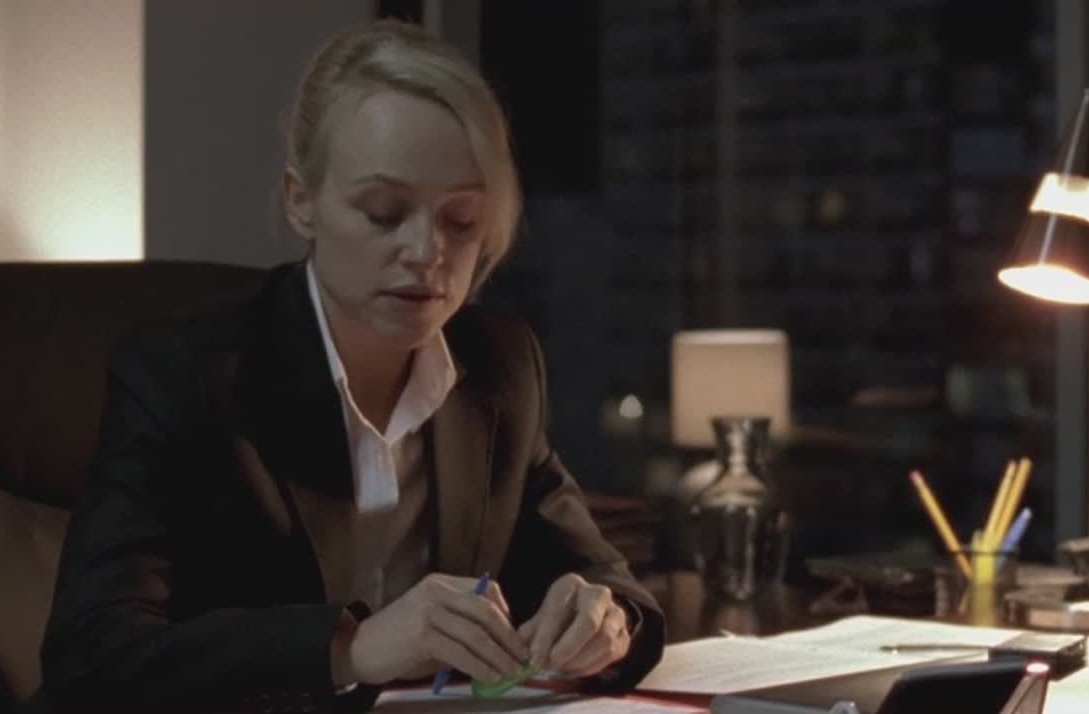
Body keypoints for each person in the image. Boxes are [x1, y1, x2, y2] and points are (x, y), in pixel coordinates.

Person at [38, 19, 664, 714]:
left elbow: (604, 579)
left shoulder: (500, 366)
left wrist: (607, 620)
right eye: (384, 213)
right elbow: (90, 658)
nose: (426, 251)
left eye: (460, 221)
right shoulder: (183, 375)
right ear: (301, 201)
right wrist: (351, 647)